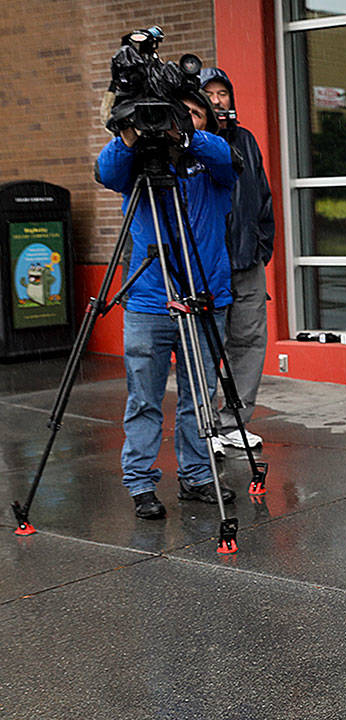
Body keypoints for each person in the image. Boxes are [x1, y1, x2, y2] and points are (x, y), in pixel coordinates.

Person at [95, 92, 238, 519]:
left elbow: (228, 160)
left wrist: (188, 135)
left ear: (204, 121)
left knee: (200, 397)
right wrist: (130, 134)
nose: (175, 121)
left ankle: (196, 476)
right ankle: (140, 483)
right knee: (144, 398)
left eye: (194, 113)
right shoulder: (134, 164)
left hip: (204, 298)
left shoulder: (213, 165)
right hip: (148, 301)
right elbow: (106, 170)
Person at [199, 67, 275, 454]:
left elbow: (263, 197)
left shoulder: (244, 140)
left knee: (247, 343)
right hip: (206, 267)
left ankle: (234, 424)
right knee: (208, 347)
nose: (217, 100)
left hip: (247, 264)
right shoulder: (193, 144)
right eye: (208, 94)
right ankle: (205, 430)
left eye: (222, 93)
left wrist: (263, 249)